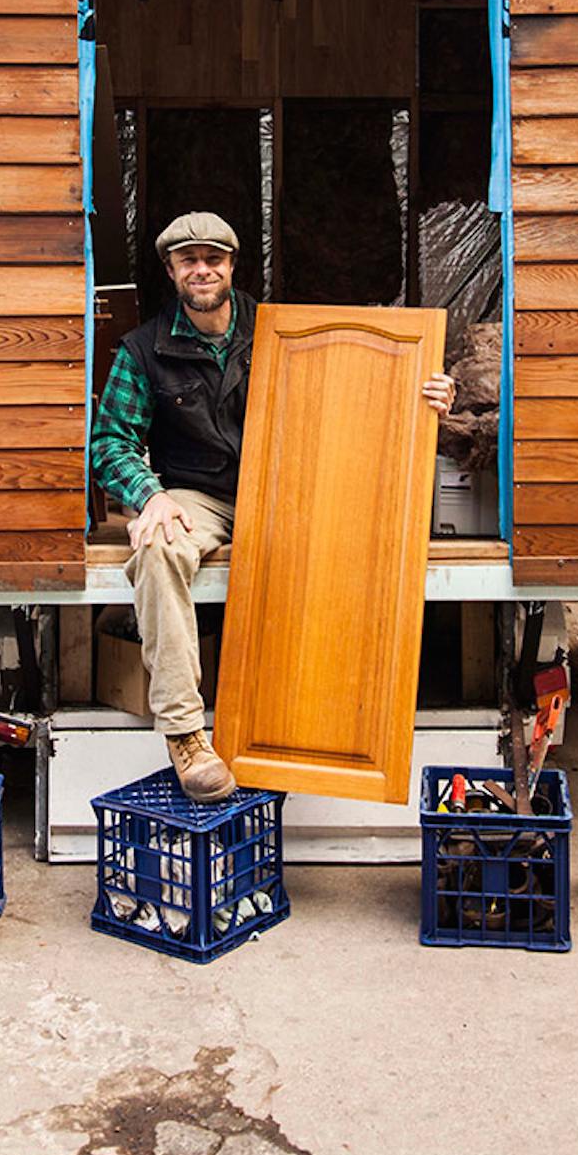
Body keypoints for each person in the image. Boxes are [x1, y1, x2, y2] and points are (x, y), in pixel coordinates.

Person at [90, 211, 456, 801]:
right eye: (189, 261)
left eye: (213, 259)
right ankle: (186, 734)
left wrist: (425, 393)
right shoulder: (143, 349)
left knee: (360, 548)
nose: (202, 270)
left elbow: (361, 394)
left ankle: (343, 731)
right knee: (157, 546)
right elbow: (109, 442)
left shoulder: (285, 333)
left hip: (290, 491)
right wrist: (148, 496)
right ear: (171, 271)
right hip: (201, 494)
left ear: (232, 266)